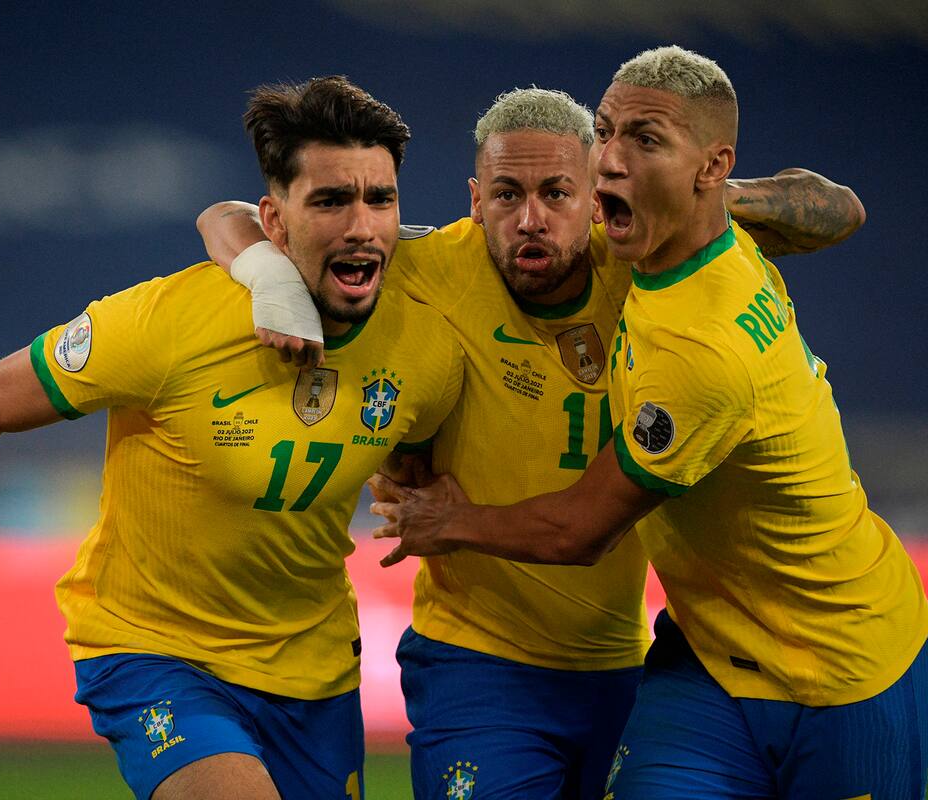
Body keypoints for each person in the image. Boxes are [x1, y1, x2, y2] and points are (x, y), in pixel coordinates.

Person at [198, 88, 865, 798]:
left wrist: (697, 194)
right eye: (507, 195)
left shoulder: (644, 251)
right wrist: (268, 276)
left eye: (557, 193)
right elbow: (227, 216)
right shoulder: (431, 266)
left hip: (620, 665)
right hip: (476, 665)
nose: (530, 220)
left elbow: (839, 210)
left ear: (597, 194)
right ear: (476, 200)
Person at [0, 76, 464, 800]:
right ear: (274, 219)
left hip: (314, 669)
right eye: (329, 201)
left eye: (380, 199)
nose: (361, 225)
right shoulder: (170, 323)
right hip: (157, 651)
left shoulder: (429, 321)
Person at [368, 47, 928, 799]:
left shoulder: (694, 345)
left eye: (644, 141)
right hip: (697, 654)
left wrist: (450, 520)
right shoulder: (665, 240)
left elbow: (580, 530)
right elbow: (837, 205)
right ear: (478, 200)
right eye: (607, 134)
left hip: (842, 658)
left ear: (708, 167)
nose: (610, 161)